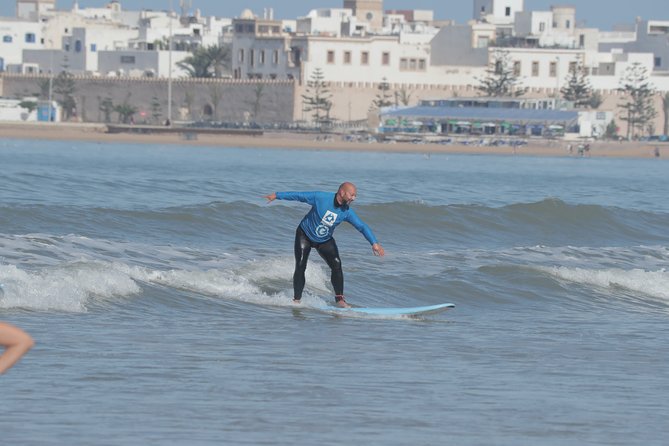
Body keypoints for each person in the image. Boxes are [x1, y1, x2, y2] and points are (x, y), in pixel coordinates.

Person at [265, 182, 384, 308]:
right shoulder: (320, 197)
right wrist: (277, 195)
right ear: (342, 192)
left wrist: (374, 243)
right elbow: (299, 196)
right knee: (300, 265)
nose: (353, 198)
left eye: (355, 196)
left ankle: (340, 300)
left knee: (337, 265)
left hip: (324, 240)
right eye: (352, 195)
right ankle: (296, 300)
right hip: (304, 235)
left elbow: (361, 226)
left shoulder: (346, 212)